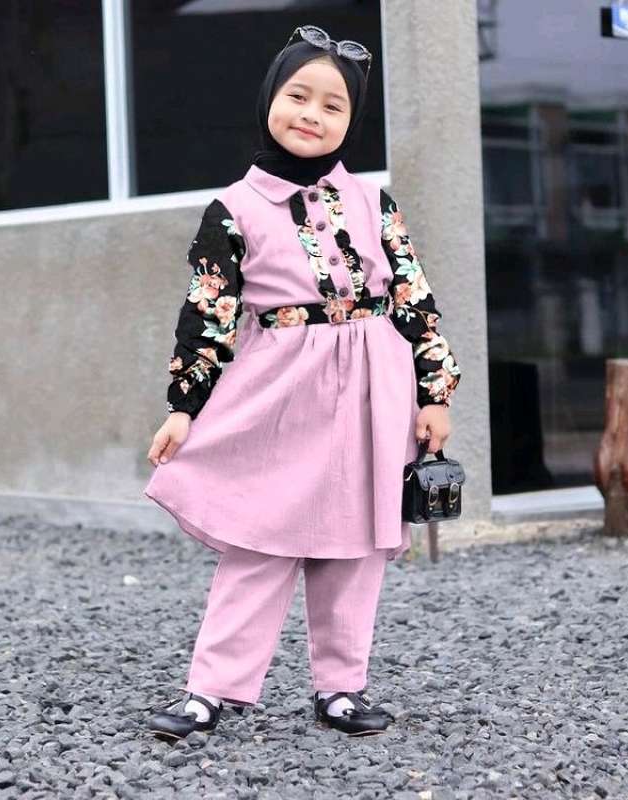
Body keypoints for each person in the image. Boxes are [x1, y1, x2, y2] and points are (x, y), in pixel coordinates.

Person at [144, 25, 461, 740]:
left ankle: (341, 690)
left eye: (333, 105)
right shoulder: (233, 209)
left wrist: (435, 393)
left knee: (356, 546)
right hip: (279, 395)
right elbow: (208, 314)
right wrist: (183, 407)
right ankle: (211, 691)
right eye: (298, 96)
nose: (312, 114)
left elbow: (415, 299)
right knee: (261, 541)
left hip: (377, 392)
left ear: (351, 121)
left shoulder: (375, 203)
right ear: (269, 99)